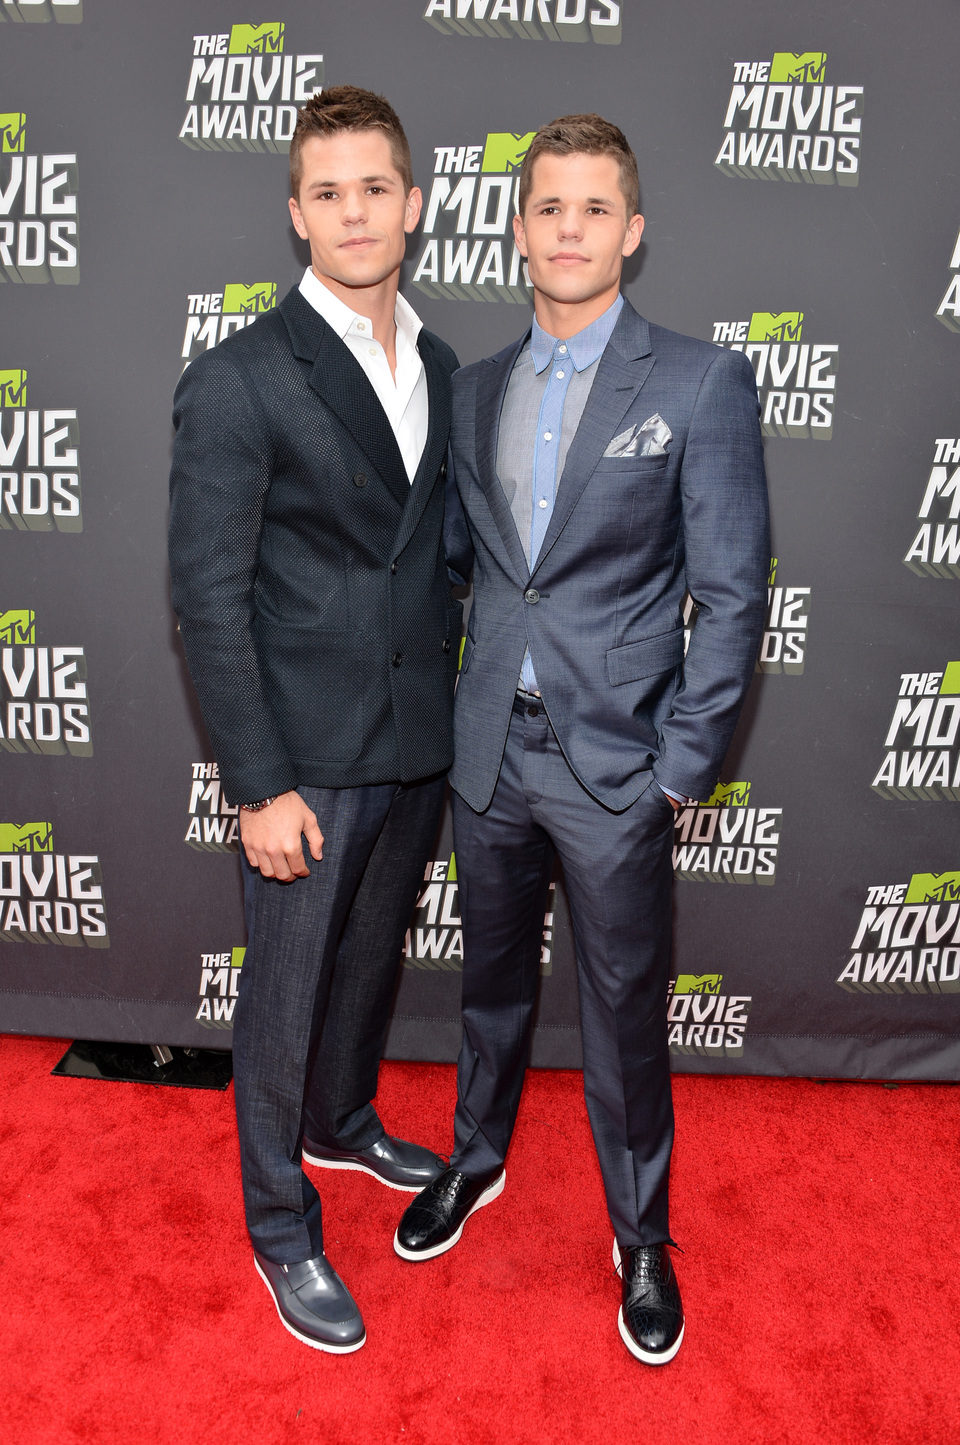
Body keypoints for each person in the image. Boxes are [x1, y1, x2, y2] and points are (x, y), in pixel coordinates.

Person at [394, 113, 769, 1366]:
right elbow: (468, 569)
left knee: (623, 1012)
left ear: (634, 231)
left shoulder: (700, 381)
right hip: (489, 751)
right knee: (489, 986)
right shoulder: (476, 384)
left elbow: (732, 593)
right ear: (517, 231)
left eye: (595, 209)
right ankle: (476, 1160)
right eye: (549, 208)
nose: (570, 230)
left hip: (618, 768)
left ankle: (643, 1236)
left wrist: (681, 766)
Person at [168, 86, 461, 1353]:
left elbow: (435, 556)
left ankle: (342, 1123)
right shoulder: (238, 378)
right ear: (297, 214)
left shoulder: (443, 364)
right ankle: (282, 1227)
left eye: (376, 186)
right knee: (282, 995)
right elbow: (206, 597)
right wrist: (259, 779)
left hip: (415, 738)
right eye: (328, 191)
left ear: (413, 203)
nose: (355, 211)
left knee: (365, 965)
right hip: (303, 755)